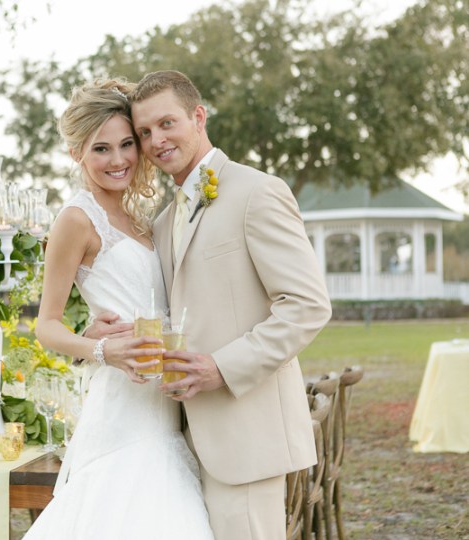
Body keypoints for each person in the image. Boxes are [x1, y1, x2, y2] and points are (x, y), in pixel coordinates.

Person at [88, 70, 332, 539]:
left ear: (198, 117)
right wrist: (98, 336)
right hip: (176, 439)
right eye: (144, 132)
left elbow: (306, 305)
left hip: (246, 436)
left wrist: (221, 367)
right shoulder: (163, 221)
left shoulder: (257, 192)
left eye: (167, 123)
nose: (156, 141)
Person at [23, 78, 215, 539]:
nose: (119, 159)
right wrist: (102, 349)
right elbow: (46, 324)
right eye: (101, 149)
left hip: (165, 404)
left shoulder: (141, 220)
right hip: (122, 409)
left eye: (127, 144)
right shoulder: (76, 219)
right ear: (77, 154)